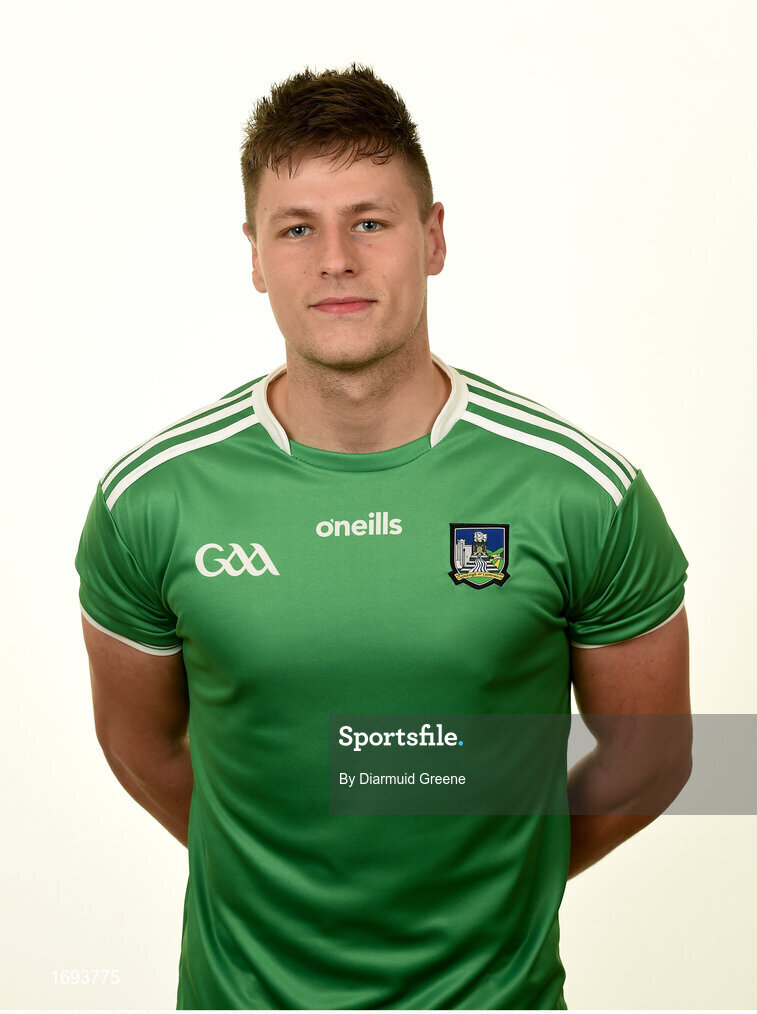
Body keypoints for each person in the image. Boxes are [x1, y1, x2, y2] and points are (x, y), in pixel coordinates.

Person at [75, 64, 692, 1011]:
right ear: (254, 255)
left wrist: (500, 881)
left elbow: (652, 757)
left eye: (370, 220)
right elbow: (140, 747)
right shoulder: (151, 502)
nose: (336, 259)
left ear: (432, 237)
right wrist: (276, 881)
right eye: (296, 228)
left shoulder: (580, 494)